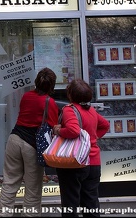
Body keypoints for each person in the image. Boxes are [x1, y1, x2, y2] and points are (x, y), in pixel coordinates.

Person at [0, 67, 59, 217]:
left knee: (9, 183)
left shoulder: (26, 96)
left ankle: (1, 214)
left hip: (14, 139)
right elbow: (53, 126)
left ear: (36, 81)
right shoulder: (50, 102)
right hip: (32, 146)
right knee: (33, 189)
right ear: (52, 85)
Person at [52, 79, 110, 217]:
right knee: (91, 204)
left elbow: (73, 131)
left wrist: (58, 131)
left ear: (70, 95)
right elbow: (105, 125)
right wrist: (91, 140)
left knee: (70, 204)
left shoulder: (69, 110)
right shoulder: (91, 110)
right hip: (94, 162)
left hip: (74, 161)